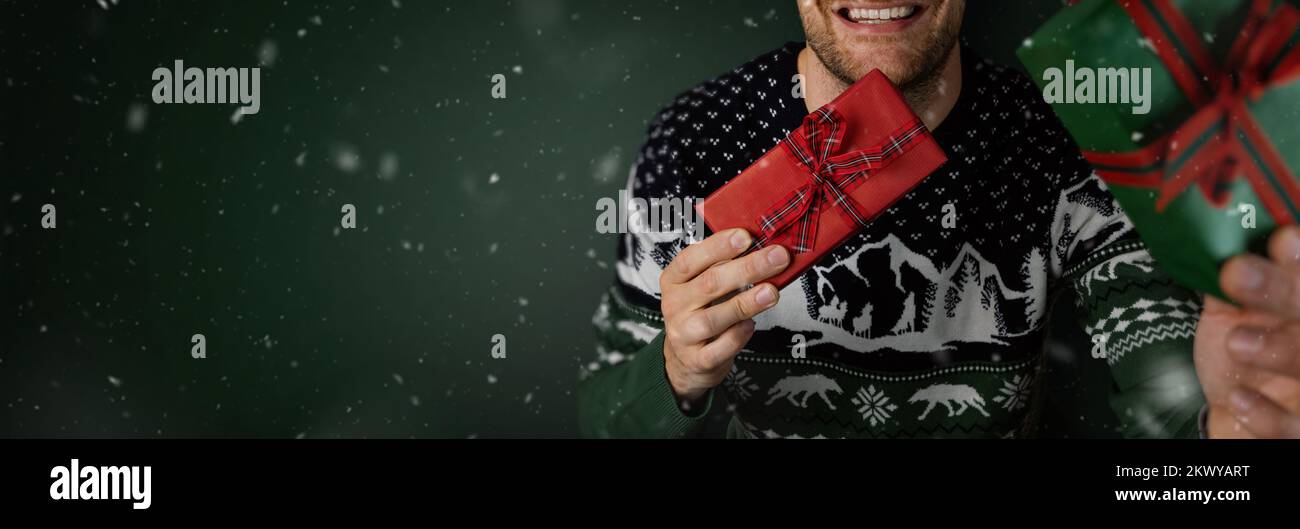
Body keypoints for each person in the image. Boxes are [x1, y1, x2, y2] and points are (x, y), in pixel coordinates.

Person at [579, 0, 1300, 438]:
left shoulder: (1061, 140)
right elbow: (603, 422)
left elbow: (1173, 445)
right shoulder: (695, 142)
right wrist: (676, 372)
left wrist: (1222, 438)